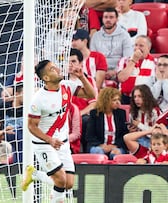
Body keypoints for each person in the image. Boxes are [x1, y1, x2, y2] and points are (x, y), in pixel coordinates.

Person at [21, 59, 95, 202]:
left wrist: (81, 77)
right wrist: (50, 140)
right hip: (44, 145)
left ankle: (35, 174)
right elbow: (31, 126)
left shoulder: (66, 87)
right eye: (52, 69)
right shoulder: (38, 99)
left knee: (69, 183)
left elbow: (90, 95)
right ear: (46, 78)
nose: (57, 69)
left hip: (63, 143)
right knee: (60, 180)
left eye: (55, 66)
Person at [90, 7, 133, 81]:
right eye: (105, 17)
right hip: (100, 72)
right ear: (102, 19)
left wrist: (115, 71)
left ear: (117, 19)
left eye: (111, 17)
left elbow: (127, 57)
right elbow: (93, 58)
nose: (108, 20)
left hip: (119, 72)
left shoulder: (125, 35)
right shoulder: (95, 36)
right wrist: (102, 72)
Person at [68, 48, 98, 152]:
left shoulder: (88, 80)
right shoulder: (61, 80)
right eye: (68, 62)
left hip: (82, 115)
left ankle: (85, 151)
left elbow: (94, 103)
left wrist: (79, 114)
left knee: (87, 121)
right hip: (65, 115)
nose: (70, 64)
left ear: (81, 63)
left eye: (73, 61)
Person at [86, 88, 128, 159]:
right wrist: (101, 146)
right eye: (114, 100)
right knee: (99, 152)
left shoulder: (121, 113)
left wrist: (114, 146)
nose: (118, 102)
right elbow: (90, 136)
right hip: (98, 146)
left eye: (118, 99)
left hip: (116, 146)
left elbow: (124, 134)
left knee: (116, 155)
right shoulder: (95, 114)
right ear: (106, 101)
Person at [117, 35, 155, 104]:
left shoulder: (155, 63)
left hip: (146, 99)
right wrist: (133, 60)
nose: (137, 48)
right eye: (136, 45)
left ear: (149, 48)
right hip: (126, 98)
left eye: (141, 46)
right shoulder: (124, 60)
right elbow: (121, 78)